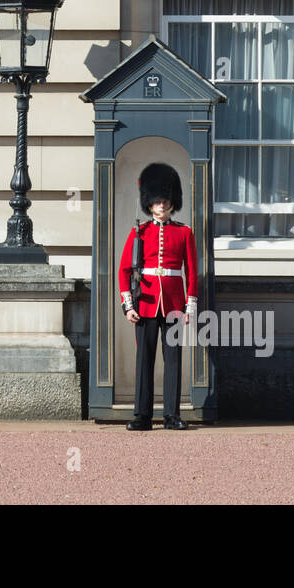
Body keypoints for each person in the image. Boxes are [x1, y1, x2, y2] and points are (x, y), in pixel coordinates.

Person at [118, 162, 198, 431]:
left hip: (174, 303)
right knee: (145, 360)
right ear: (149, 204)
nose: (161, 206)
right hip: (147, 302)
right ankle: (142, 415)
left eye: (165, 201)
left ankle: (171, 415)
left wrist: (190, 306)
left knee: (173, 360)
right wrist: (128, 305)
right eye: (157, 202)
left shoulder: (184, 232)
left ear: (172, 202)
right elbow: (124, 270)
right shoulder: (139, 232)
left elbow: (192, 272)